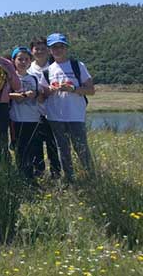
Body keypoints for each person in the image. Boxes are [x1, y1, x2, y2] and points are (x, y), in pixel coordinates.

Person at [39, 33, 95, 181]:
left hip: (75, 115)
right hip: (55, 116)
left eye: (61, 46)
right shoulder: (47, 71)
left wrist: (73, 89)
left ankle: (92, 178)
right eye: (54, 47)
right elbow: (43, 95)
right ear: (50, 50)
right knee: (63, 149)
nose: (58, 50)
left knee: (81, 148)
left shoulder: (78, 66)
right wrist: (49, 91)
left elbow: (91, 90)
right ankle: (69, 180)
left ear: (66, 48)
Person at [28, 36, 61, 178]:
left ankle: (56, 173)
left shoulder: (55, 67)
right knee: (36, 145)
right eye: (37, 49)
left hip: (54, 112)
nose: (40, 51)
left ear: (48, 50)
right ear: (31, 51)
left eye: (43, 48)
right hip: (34, 113)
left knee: (53, 145)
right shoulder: (28, 69)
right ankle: (39, 172)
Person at [8, 47, 42, 180]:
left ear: (30, 61)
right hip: (17, 119)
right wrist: (21, 95)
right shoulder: (10, 78)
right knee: (20, 149)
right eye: (20, 59)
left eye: (26, 59)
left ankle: (33, 175)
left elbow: (40, 95)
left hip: (33, 118)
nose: (23, 62)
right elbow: (5, 95)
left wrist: (36, 94)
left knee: (33, 149)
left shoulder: (34, 78)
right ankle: (23, 177)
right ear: (13, 60)